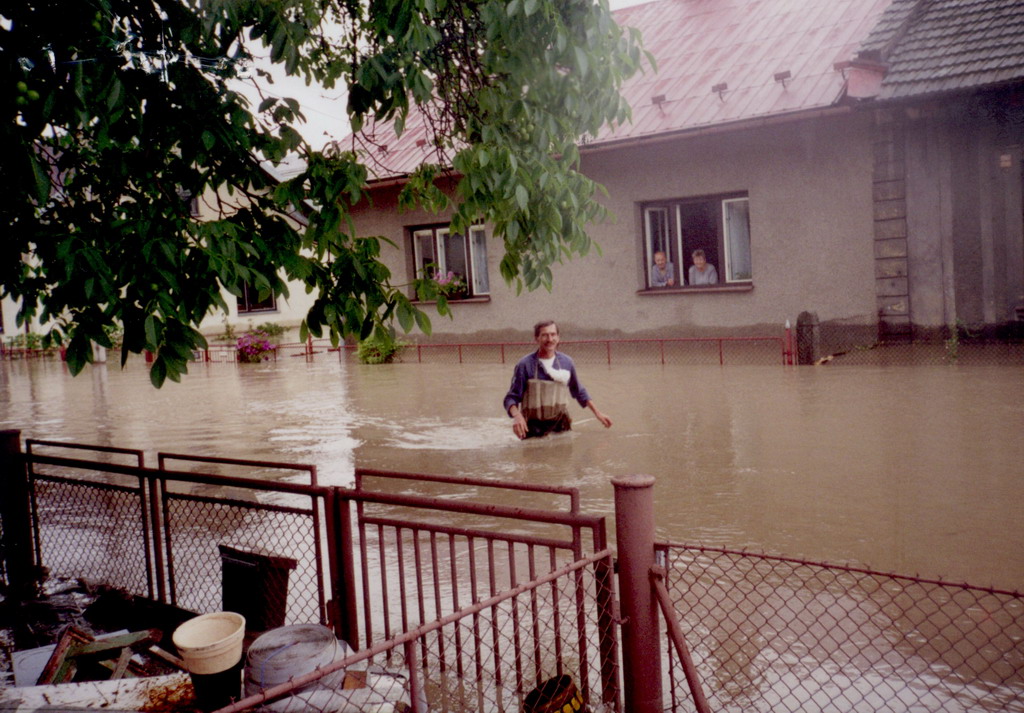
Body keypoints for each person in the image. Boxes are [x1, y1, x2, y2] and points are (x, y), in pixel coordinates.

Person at [503, 321, 613, 439]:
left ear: (558, 337)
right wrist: (517, 416)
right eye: (545, 335)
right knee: (534, 457)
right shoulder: (524, 364)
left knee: (564, 456)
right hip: (532, 427)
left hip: (561, 425)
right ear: (537, 338)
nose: (550, 339)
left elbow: (579, 391)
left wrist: (598, 413)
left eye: (553, 334)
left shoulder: (567, 362)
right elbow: (511, 398)